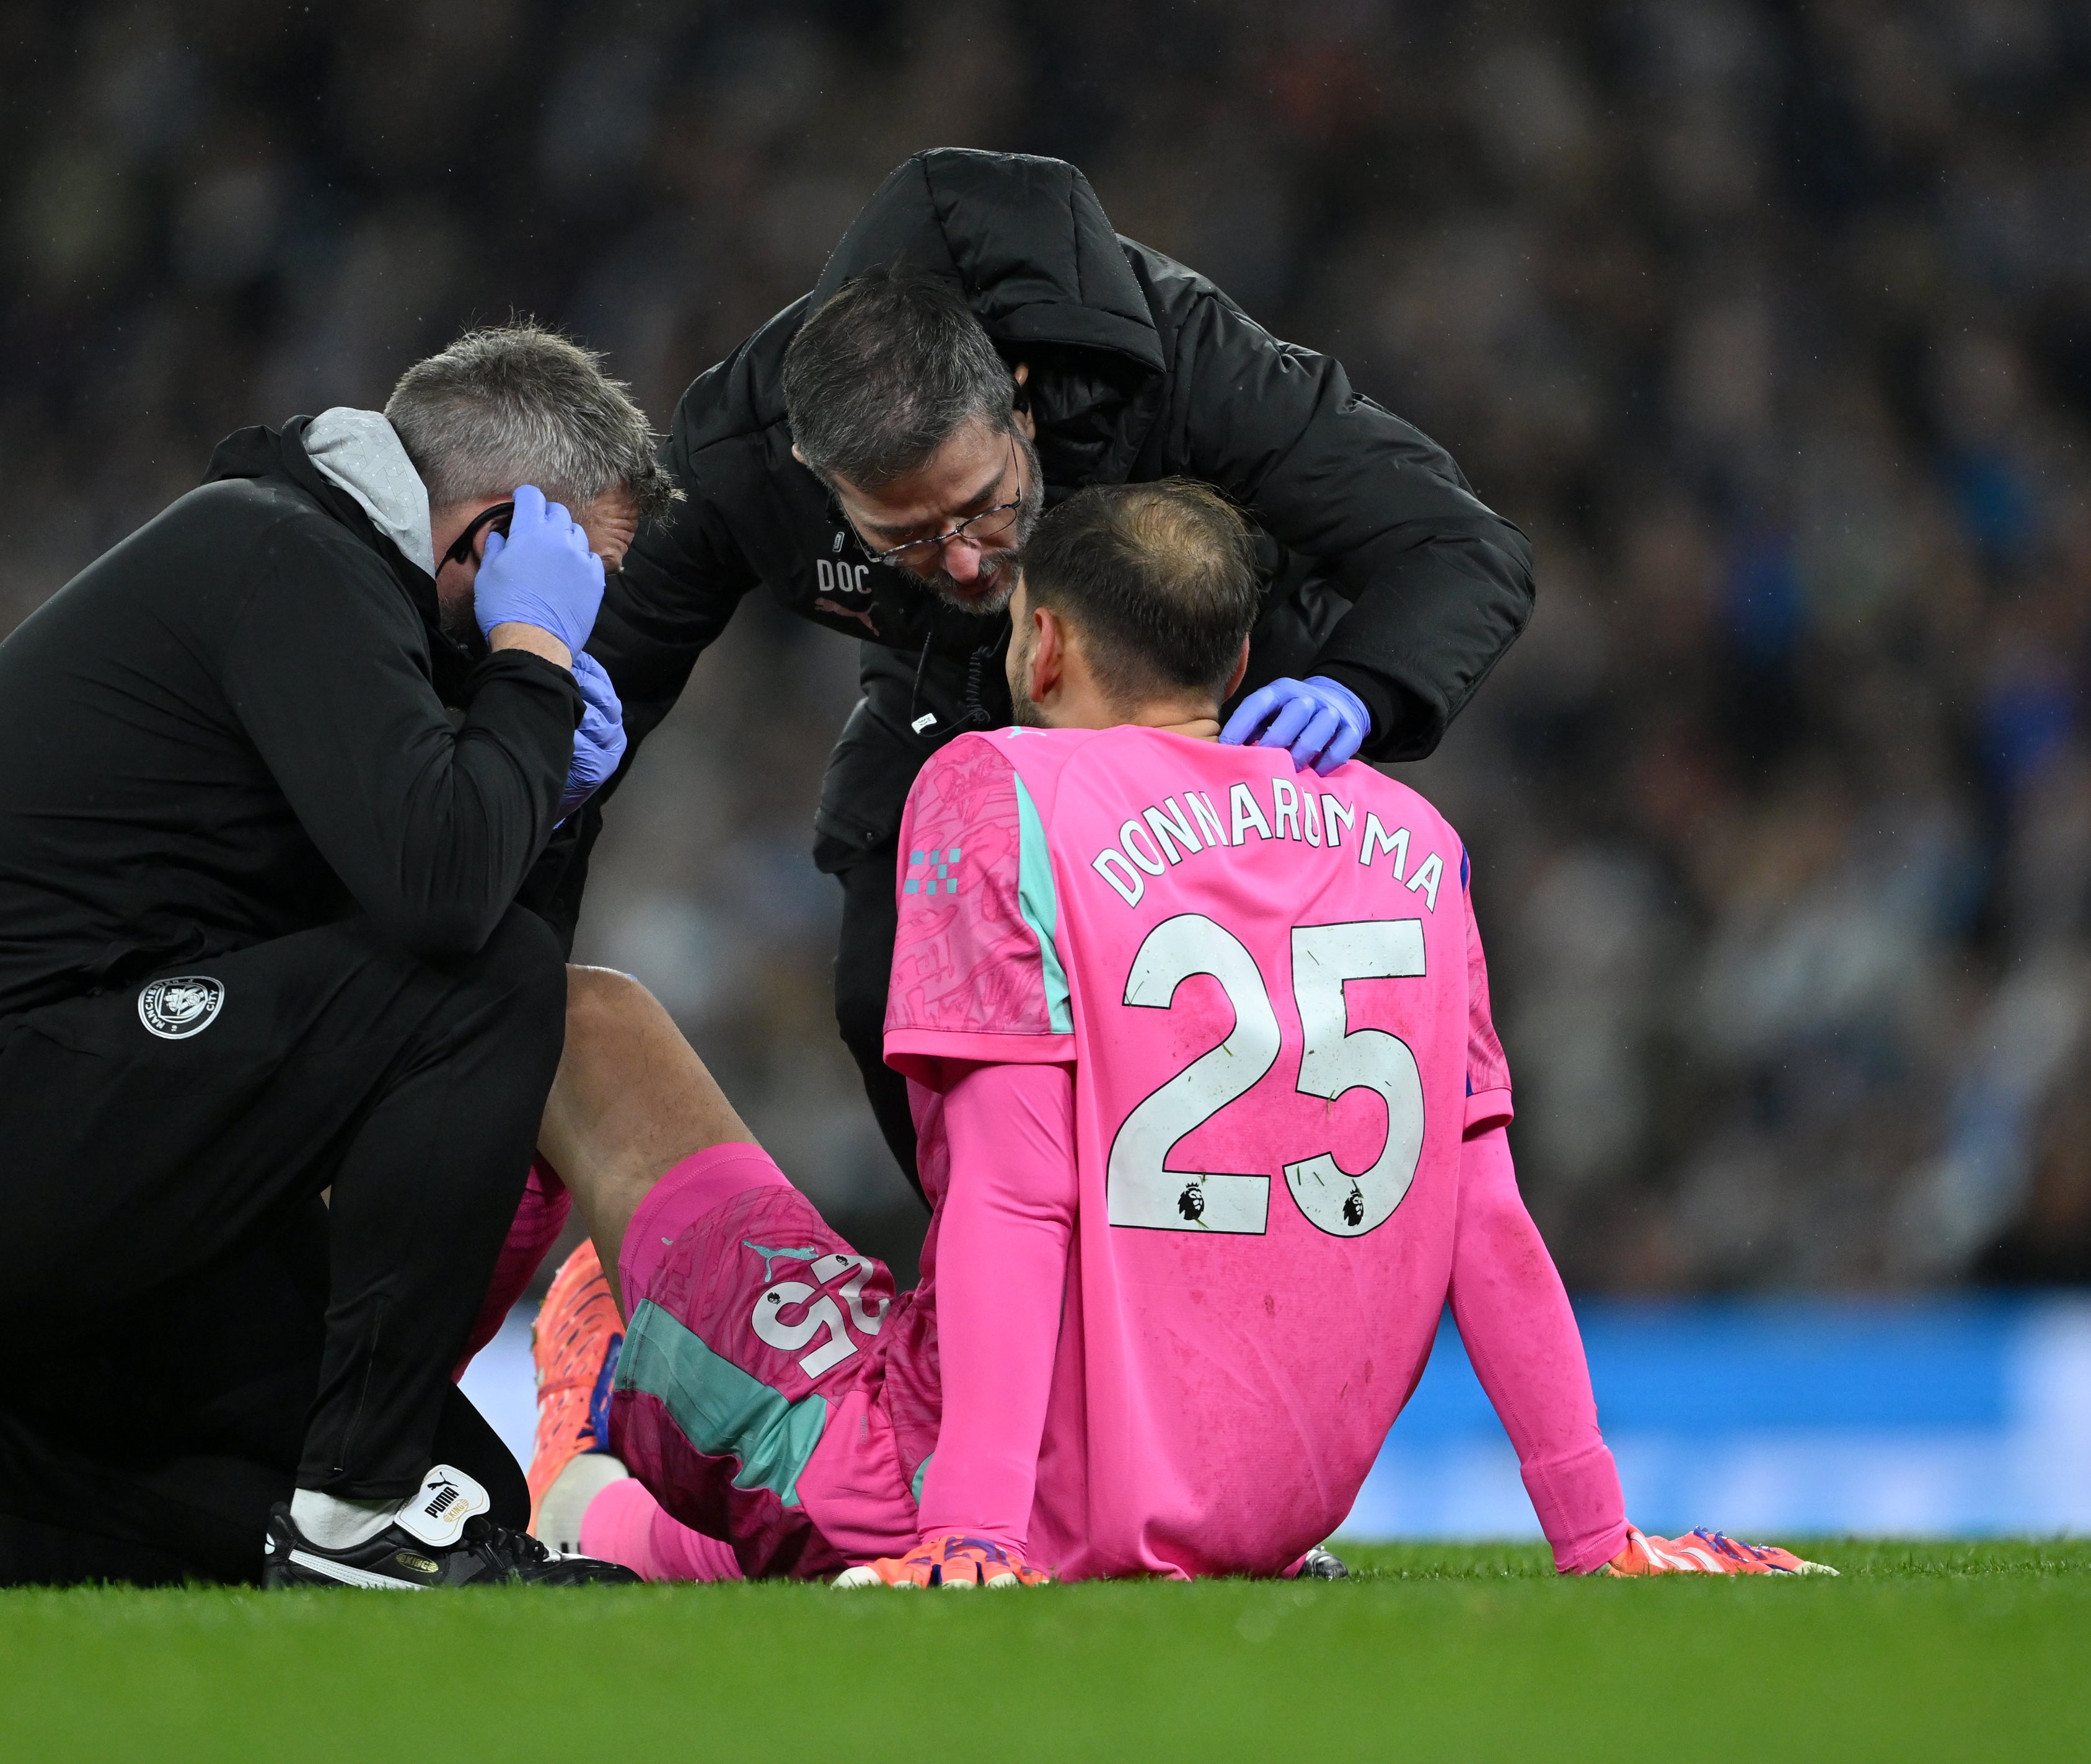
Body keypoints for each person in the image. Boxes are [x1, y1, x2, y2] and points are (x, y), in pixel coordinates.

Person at [521, 482, 1829, 1584]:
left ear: (1039, 645)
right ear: (1239, 664)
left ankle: (537, 1477)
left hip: (963, 1471)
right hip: (1254, 1517)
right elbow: (1482, 1220)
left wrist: (974, 1532)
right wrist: (1596, 1538)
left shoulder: (997, 788)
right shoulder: (1415, 843)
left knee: (582, 1016)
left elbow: (1017, 1188)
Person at [0, 325, 669, 1591]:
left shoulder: (346, 602)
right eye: (580, 573)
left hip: (81, 1155)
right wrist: (527, 667)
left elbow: (437, 974)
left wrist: (552, 800)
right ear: (495, 532)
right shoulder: (283, 558)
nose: (582, 624)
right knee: (486, 983)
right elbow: (452, 920)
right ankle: (353, 1521)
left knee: (464, 1489)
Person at [548, 148, 1538, 1188]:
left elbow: (1465, 547)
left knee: (1177, 1004)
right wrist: (520, 856)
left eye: (982, 503)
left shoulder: (1181, 359)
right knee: (885, 996)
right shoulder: (740, 452)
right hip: (950, 689)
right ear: (815, 472)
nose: (967, 558)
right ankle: (983, 1273)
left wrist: (1358, 688)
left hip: (1213, 701)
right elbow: (605, 681)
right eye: (906, 535)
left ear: (1021, 398)